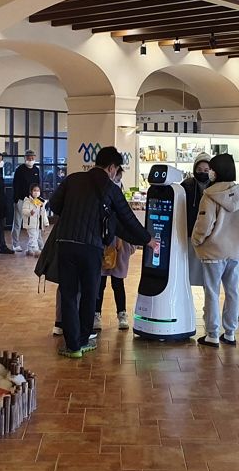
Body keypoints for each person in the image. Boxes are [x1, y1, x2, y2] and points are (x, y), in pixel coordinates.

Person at [49, 146, 158, 358]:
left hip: (65, 244)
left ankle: (72, 347)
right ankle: (82, 341)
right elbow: (128, 219)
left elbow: (54, 204)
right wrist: (148, 240)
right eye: (117, 170)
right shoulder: (111, 189)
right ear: (111, 167)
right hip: (91, 248)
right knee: (90, 294)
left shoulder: (72, 179)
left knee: (69, 294)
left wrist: (73, 215)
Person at [191, 153, 239, 348]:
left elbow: (204, 225)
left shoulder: (210, 195)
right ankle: (230, 333)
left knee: (212, 292)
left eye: (212, 169)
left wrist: (196, 241)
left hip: (214, 252)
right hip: (235, 251)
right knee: (233, 291)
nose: (210, 172)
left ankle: (212, 334)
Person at [94, 167, 136, 331]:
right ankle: (96, 314)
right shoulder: (100, 199)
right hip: (103, 245)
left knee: (118, 283)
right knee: (100, 283)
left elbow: (129, 223)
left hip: (120, 249)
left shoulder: (121, 200)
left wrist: (127, 244)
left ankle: (122, 314)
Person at [181, 152, 211, 287]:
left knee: (208, 274)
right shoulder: (186, 185)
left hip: (210, 236)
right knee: (189, 269)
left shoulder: (216, 186)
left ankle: (209, 305)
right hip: (190, 232)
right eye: (199, 170)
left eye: (206, 170)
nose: (202, 173)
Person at [12, 150, 40, 252]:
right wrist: (16, 199)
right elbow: (15, 185)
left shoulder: (36, 170)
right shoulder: (20, 170)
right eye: (29, 158)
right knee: (18, 222)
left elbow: (37, 185)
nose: (31, 160)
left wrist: (37, 199)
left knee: (33, 223)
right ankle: (15, 244)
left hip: (32, 200)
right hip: (21, 199)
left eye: (32, 158)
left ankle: (34, 244)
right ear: (25, 158)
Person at [22, 183, 49, 257]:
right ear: (31, 191)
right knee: (33, 237)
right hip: (30, 223)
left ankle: (29, 249)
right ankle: (36, 250)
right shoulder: (27, 201)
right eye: (34, 190)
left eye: (38, 190)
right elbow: (24, 211)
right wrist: (30, 212)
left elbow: (43, 213)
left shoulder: (40, 202)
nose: (36, 192)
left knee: (34, 237)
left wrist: (45, 223)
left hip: (37, 224)